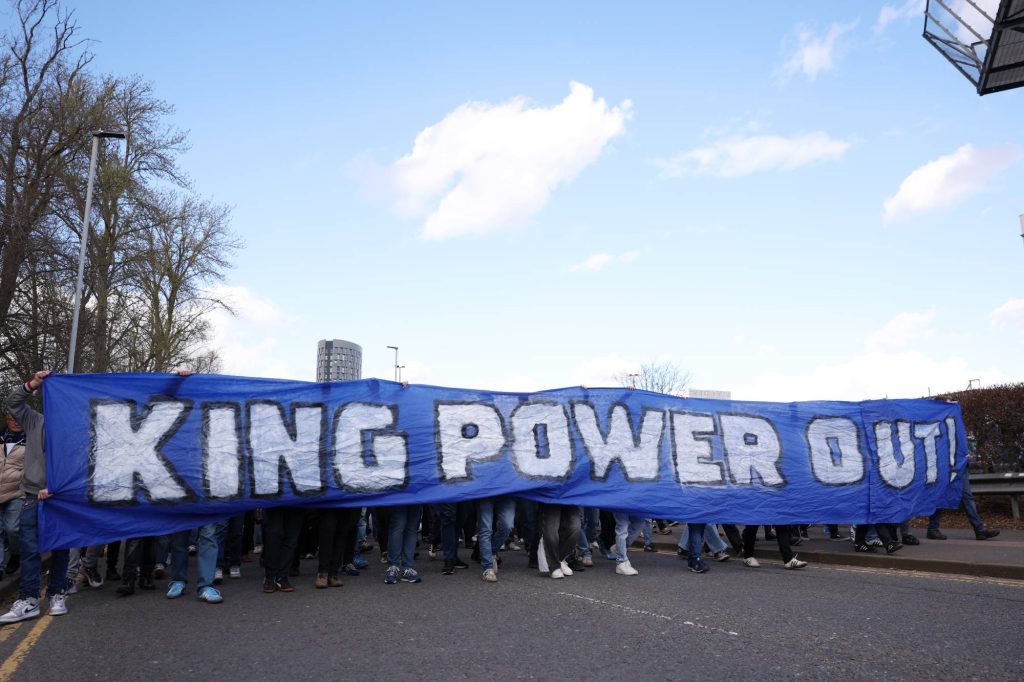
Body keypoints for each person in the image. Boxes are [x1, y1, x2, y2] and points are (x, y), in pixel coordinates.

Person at [0, 371, 71, 623]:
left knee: (60, 547)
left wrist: (55, 485)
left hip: (61, 495)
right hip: (31, 493)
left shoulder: (75, 424)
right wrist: (33, 384)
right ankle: (29, 599)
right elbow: (13, 403)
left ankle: (56, 593)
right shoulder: (34, 421)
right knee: (30, 548)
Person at [0, 411, 26, 579]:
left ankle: (16, 554)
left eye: (19, 419)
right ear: (7, 420)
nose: (16, 422)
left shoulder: (30, 440)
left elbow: (34, 465)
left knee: (12, 529)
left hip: (17, 492)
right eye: (12, 419)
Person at [476, 496, 516, 582]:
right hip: (485, 491)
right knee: (485, 530)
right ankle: (488, 567)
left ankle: (491, 552)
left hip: (506, 491)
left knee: (507, 527)